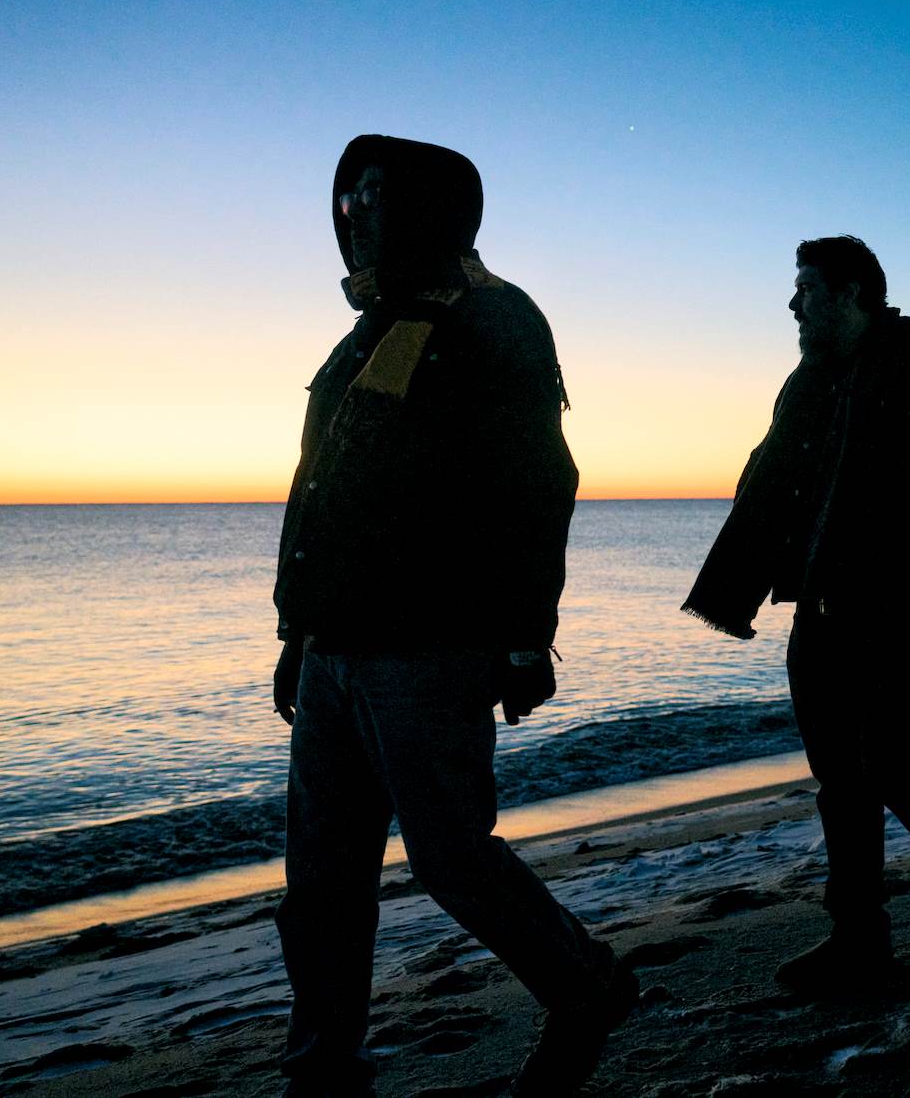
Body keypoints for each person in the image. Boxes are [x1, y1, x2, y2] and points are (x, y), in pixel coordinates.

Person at [271, 135, 637, 1096]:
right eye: (348, 197)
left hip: (429, 645)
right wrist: (295, 632)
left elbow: (540, 483)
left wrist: (524, 636)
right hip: (333, 646)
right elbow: (320, 487)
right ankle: (323, 1072)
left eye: (377, 194)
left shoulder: (495, 315)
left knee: (453, 859)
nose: (356, 213)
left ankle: (587, 987)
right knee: (321, 880)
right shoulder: (368, 330)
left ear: (429, 208)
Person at [683, 235, 910, 991]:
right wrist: (745, 578)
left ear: (850, 293)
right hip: (818, 610)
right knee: (839, 779)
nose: (793, 304)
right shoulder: (807, 380)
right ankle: (859, 937)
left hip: (897, 607)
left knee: (897, 765)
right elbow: (770, 475)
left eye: (806, 289)